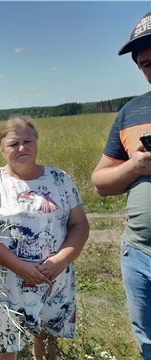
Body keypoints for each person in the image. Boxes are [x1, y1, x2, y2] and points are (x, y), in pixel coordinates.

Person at [0, 116, 89, 360]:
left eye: (28, 141)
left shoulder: (60, 179)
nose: (22, 148)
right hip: (7, 282)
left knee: (48, 346)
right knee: (6, 346)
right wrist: (21, 267)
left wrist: (61, 260)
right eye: (14, 144)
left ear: (37, 143)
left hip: (53, 278)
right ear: (2, 149)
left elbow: (79, 224)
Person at [91, 12, 151, 360]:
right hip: (139, 254)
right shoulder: (131, 112)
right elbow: (101, 182)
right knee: (148, 340)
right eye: (145, 64)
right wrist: (136, 166)